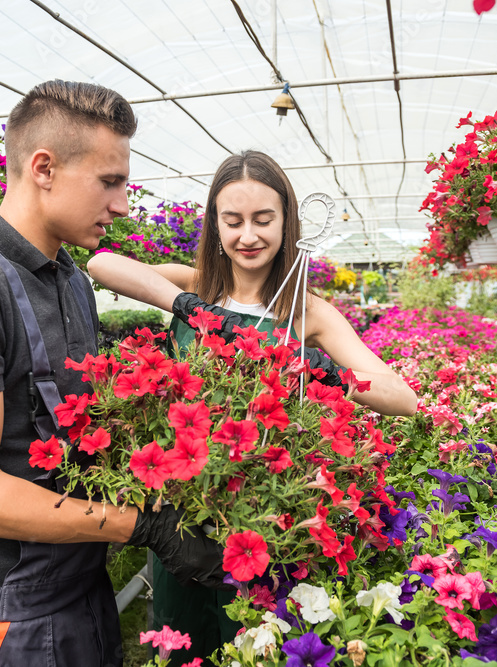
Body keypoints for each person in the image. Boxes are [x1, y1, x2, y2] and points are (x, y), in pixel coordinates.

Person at [0, 80, 226, 667]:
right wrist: (145, 527)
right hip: (8, 615)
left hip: (80, 587)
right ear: (43, 168)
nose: (122, 205)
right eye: (110, 181)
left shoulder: (69, 278)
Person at [87, 150, 418, 664]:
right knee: (183, 640)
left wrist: (325, 370)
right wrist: (188, 306)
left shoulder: (308, 312)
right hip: (187, 514)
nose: (248, 236)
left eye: (264, 220)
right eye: (233, 220)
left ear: (287, 223)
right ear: (214, 225)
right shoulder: (195, 284)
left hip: (266, 514)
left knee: (254, 641)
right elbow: (101, 263)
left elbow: (404, 398)